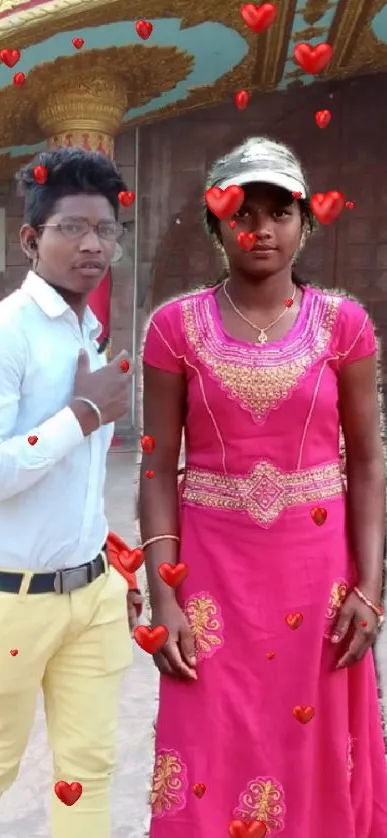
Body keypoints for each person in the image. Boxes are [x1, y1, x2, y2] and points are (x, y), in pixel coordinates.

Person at [139, 136, 387, 838]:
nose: (261, 228)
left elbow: (367, 462)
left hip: (317, 588)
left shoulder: (343, 326)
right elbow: (157, 466)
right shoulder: (173, 329)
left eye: (279, 212)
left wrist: (370, 589)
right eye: (241, 212)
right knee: (208, 749)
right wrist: (163, 596)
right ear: (215, 223)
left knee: (310, 751)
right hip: (210, 583)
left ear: (304, 223)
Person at [0, 146, 141, 838]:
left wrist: (105, 561)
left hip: (91, 598)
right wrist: (80, 415)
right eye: (71, 227)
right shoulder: (1, 335)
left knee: (88, 770)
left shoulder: (87, 331)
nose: (91, 244)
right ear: (30, 239)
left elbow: (73, 483)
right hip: (8, 601)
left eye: (105, 229)